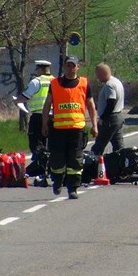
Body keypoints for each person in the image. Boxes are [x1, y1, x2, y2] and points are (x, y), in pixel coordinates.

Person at [42, 56, 98, 200]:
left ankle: (73, 188)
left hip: (77, 129)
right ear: (64, 67)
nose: (70, 68)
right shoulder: (54, 83)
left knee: (75, 160)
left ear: (77, 67)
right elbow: (47, 105)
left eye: (73, 66)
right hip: (58, 130)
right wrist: (44, 124)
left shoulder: (84, 83)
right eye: (68, 65)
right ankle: (58, 181)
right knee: (57, 160)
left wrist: (94, 125)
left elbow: (91, 106)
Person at [13, 60, 54, 162]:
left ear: (40, 69)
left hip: (38, 117)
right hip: (53, 117)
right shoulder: (56, 81)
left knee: (36, 145)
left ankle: (40, 168)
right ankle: (50, 167)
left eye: (37, 69)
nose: (36, 72)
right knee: (51, 144)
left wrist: (16, 101)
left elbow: (25, 97)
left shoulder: (36, 82)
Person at [90, 63, 125, 155]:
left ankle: (93, 165)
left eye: (98, 75)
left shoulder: (109, 85)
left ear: (102, 73)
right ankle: (120, 164)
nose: (97, 78)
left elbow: (111, 102)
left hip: (110, 119)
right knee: (118, 145)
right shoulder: (117, 81)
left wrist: (103, 118)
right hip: (119, 117)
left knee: (99, 144)